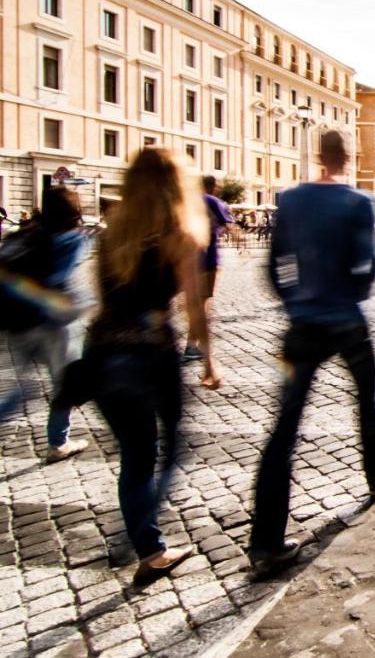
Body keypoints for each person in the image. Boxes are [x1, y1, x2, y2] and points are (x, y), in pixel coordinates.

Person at [250, 131, 375, 575]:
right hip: (347, 321)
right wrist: (351, 292)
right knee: (366, 400)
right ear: (347, 158)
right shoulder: (357, 203)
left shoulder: (290, 201)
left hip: (302, 325)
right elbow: (367, 264)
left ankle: (265, 543)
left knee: (285, 427)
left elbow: (275, 264)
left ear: (319, 157)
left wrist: (294, 301)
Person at [89, 148, 218, 585]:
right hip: (150, 356)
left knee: (135, 455)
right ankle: (146, 543)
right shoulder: (179, 232)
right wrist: (208, 360)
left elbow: (102, 297)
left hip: (103, 353)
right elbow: (196, 306)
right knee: (174, 447)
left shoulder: (111, 231)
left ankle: (148, 545)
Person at [0, 188, 89, 462]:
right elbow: (56, 279)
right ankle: (57, 443)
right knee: (65, 385)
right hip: (53, 323)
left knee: (21, 387)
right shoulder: (71, 238)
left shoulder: (22, 235)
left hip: (17, 322)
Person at [183, 176, 235, 363]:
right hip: (207, 260)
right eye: (218, 185)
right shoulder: (212, 201)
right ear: (212, 186)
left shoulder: (188, 201)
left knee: (193, 304)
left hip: (187, 261)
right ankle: (193, 346)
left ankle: (192, 344)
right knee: (202, 304)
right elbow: (230, 225)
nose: (219, 189)